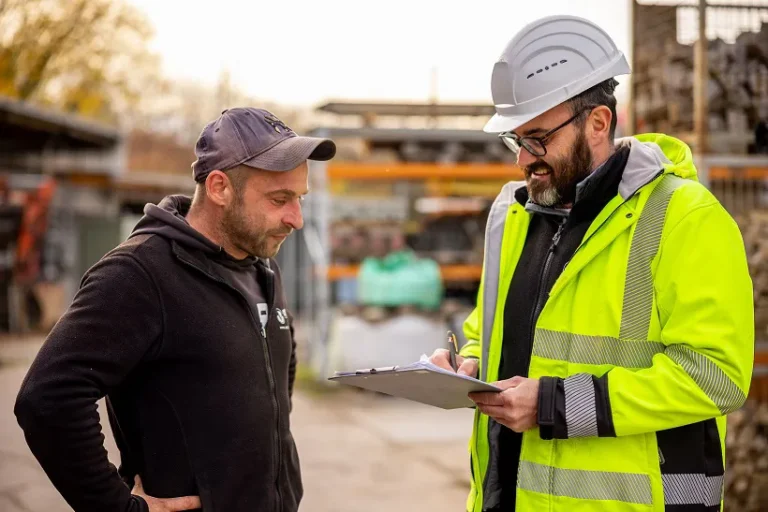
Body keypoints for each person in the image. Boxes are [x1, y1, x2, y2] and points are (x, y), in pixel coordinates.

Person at [429, 14, 754, 512]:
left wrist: (553, 405)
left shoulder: (687, 218)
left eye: (537, 139)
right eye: (516, 140)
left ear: (598, 123)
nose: (523, 159)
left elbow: (716, 376)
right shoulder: (514, 215)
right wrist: (467, 361)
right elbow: (489, 330)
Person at [14, 107, 336, 512]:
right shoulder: (140, 274)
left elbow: (274, 387)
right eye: (280, 199)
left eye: (300, 198)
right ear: (219, 188)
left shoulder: (263, 268)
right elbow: (48, 399)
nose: (297, 219)